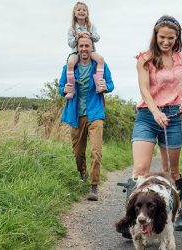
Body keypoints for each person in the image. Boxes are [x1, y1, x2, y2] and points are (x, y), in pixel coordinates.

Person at [117, 15, 182, 238]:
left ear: (177, 37)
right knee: (140, 169)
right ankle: (131, 220)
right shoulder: (145, 58)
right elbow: (145, 89)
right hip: (147, 115)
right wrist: (155, 112)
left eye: (171, 38)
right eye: (162, 37)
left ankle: (175, 211)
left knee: (171, 171)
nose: (166, 41)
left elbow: (176, 87)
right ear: (155, 35)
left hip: (172, 116)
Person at [58, 34, 114, 201]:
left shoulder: (99, 65)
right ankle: (82, 172)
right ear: (77, 48)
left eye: (87, 46)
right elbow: (61, 87)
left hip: (95, 113)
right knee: (78, 153)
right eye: (81, 46)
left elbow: (110, 84)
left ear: (92, 48)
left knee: (96, 151)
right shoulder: (70, 67)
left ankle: (94, 186)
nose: (84, 49)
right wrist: (65, 89)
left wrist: (106, 87)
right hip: (75, 114)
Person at [66, 2, 105, 99]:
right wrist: (76, 37)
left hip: (90, 51)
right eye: (79, 10)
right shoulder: (72, 29)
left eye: (84, 10)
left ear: (87, 13)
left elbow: (97, 38)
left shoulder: (91, 26)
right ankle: (71, 89)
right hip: (76, 52)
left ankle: (99, 85)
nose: (81, 12)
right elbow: (70, 43)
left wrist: (90, 34)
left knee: (100, 59)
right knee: (70, 63)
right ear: (74, 13)